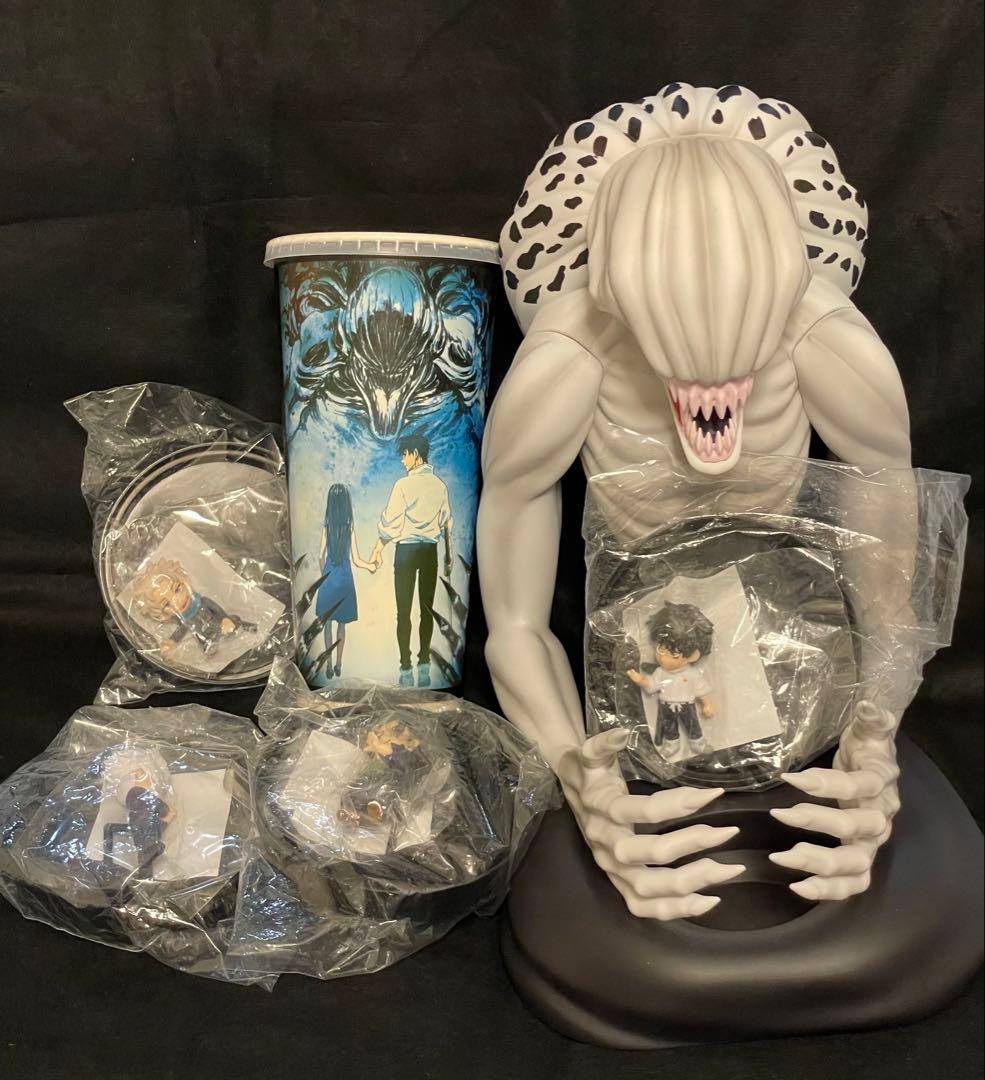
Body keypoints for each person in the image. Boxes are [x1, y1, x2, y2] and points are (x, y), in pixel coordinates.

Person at [370, 432, 453, 687]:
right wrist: (449, 556)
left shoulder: (403, 486)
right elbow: (446, 524)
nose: (402, 460)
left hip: (405, 552)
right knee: (427, 611)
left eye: (404, 454)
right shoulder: (440, 486)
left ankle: (405, 668)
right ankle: (424, 665)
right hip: (430, 551)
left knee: (403, 612)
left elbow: (390, 524)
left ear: (415, 454)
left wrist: (378, 549)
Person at [627, 601, 715, 759]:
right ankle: (672, 744)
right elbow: (652, 685)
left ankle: (698, 742)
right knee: (670, 728)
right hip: (666, 705)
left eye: (673, 654)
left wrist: (707, 703)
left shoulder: (692, 673)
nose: (662, 657)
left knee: (692, 725)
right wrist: (640, 680)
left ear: (692, 656)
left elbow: (702, 690)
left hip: (687, 705)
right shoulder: (660, 672)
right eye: (661, 649)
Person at [131, 559, 256, 659]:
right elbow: (181, 631)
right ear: (163, 613)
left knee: (233, 624)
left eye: (177, 589)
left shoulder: (202, 601)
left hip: (218, 622)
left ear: (184, 581)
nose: (177, 600)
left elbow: (216, 609)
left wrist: (224, 619)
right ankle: (210, 647)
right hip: (205, 634)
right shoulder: (184, 618)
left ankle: (247, 626)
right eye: (167, 604)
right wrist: (172, 642)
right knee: (205, 642)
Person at [316, 483, 377, 679]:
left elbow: (320, 556)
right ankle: (339, 664)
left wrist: (325, 575)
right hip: (345, 580)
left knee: (327, 625)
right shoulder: (349, 527)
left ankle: (327, 665)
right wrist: (371, 566)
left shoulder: (327, 527)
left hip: (329, 579)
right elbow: (357, 560)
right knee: (342, 625)